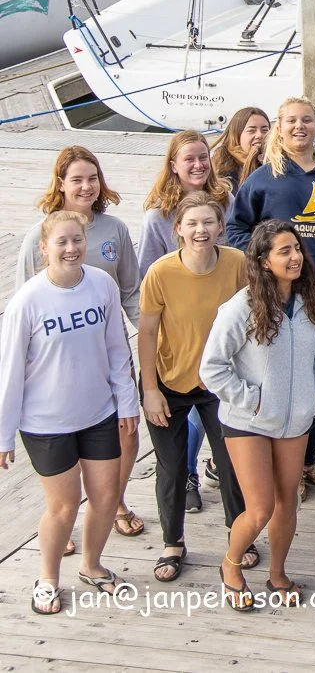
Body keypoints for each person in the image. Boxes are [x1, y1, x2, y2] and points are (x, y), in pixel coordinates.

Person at [226, 96, 315, 511]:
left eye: (307, 120)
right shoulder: (263, 179)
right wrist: (264, 265)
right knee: (288, 379)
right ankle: (289, 471)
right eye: (291, 121)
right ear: (279, 127)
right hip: (283, 301)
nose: (299, 127)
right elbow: (237, 230)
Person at [0, 210, 138, 614]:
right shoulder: (27, 301)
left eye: (77, 240)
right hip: (46, 424)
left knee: (106, 495)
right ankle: (48, 578)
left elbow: (117, 349)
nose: (71, 248)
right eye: (61, 242)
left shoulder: (102, 285)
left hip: (98, 413)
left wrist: (126, 402)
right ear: (44, 249)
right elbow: (9, 373)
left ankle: (92, 566)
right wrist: (4, 436)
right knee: (63, 506)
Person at [16, 146, 145, 540]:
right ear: (61, 184)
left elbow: (131, 291)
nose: (86, 186)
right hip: (56, 361)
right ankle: (62, 515)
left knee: (126, 432)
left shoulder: (115, 230)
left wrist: (152, 342)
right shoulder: (40, 237)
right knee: (64, 443)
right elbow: (24, 303)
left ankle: (113, 500)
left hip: (109, 350)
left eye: (93, 178)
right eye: (77, 179)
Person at [202, 220, 315, 611]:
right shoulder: (241, 307)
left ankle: (277, 574)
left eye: (297, 249)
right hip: (247, 422)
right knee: (260, 509)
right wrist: (252, 400)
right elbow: (212, 368)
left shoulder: (310, 303)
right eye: (284, 251)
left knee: (287, 501)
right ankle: (231, 565)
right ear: (263, 260)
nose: (295, 258)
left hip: (296, 421)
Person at [139, 193, 252, 583]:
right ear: (178, 230)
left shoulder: (237, 263)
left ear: (221, 227)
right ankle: (173, 543)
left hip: (219, 382)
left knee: (232, 460)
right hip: (170, 380)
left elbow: (251, 319)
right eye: (192, 223)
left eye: (208, 222)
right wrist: (150, 389)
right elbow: (148, 331)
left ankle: (238, 535)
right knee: (170, 469)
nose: (201, 230)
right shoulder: (160, 272)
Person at [139, 131, 234, 273]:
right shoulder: (157, 216)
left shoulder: (225, 200)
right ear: (173, 166)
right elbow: (146, 271)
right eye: (189, 159)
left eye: (203, 157)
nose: (198, 165)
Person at [211, 107, 270, 193]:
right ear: (237, 135)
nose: (259, 135)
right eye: (251, 130)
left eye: (265, 130)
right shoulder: (222, 172)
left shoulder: (277, 166)